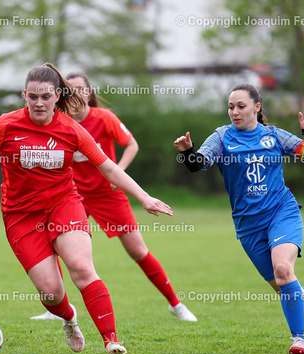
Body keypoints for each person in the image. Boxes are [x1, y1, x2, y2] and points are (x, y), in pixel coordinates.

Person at [0, 63, 173, 354]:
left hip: (63, 204)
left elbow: (108, 167)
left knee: (81, 267)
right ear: (24, 95)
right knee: (50, 292)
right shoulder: (4, 125)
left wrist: (143, 197)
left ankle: (111, 341)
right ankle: (69, 317)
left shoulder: (71, 129)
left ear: (57, 96)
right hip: (21, 214)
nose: (39, 103)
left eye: (45, 97)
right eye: (33, 97)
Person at [173, 83, 304, 354]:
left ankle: (299, 339)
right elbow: (198, 163)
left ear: (257, 107)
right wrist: (188, 150)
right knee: (286, 287)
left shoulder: (274, 136)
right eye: (231, 107)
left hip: (281, 212)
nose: (235, 112)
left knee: (283, 270)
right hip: (248, 227)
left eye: (241, 106)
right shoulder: (222, 137)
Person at [31, 71, 196, 322]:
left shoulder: (104, 118)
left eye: (80, 88)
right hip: (71, 196)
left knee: (138, 251)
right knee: (56, 245)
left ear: (89, 92)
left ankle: (176, 304)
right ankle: (55, 308)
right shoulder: (59, 121)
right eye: (70, 89)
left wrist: (119, 170)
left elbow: (132, 144)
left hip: (107, 194)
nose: (76, 94)